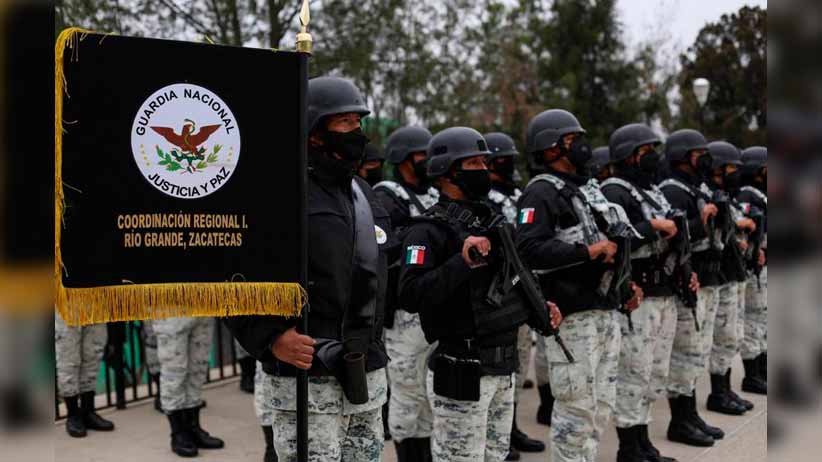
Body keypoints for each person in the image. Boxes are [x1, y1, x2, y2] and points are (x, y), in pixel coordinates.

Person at [226, 76, 392, 462]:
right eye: (346, 122)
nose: (358, 132)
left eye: (359, 121)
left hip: (365, 373)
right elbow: (233, 282)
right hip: (307, 377)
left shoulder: (363, 194)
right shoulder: (278, 195)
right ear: (315, 132)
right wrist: (271, 338)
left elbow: (388, 273)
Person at [398, 126, 562, 462]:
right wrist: (461, 262)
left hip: (502, 368)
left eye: (484, 163)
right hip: (463, 369)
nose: (483, 171)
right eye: (472, 164)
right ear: (446, 172)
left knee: (497, 456)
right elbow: (411, 294)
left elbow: (513, 279)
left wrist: (539, 308)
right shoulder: (426, 230)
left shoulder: (493, 221)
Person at [515, 109, 641, 462]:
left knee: (600, 405)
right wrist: (585, 251)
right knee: (576, 408)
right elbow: (527, 249)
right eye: (571, 140)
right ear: (550, 148)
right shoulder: (539, 193)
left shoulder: (589, 189)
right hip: (572, 317)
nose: (581, 147)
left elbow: (611, 241)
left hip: (603, 310)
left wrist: (625, 286)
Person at [600, 123, 695, 462]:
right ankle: (629, 446)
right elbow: (613, 236)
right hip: (637, 294)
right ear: (628, 156)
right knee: (634, 371)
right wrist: (651, 228)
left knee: (654, 371)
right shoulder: (614, 191)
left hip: (663, 290)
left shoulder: (650, 190)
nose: (651, 157)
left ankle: (643, 441)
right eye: (644, 151)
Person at [375, 125, 439, 461]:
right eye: (421, 155)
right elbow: (382, 246)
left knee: (428, 392)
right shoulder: (387, 196)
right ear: (402, 158)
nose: (428, 161)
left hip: (431, 308)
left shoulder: (432, 195)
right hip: (402, 314)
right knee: (406, 392)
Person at [658, 129, 725, 447]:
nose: (706, 158)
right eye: (700, 153)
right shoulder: (672, 190)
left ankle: (690, 415)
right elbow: (677, 238)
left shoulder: (693, 185)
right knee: (684, 353)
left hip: (701, 277)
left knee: (695, 352)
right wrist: (701, 219)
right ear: (683, 155)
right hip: (685, 278)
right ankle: (679, 421)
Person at [483, 131, 544, 460]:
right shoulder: (485, 197)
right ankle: (498, 436)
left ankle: (511, 428)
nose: (507, 165)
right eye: (500, 159)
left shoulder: (518, 192)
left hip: (523, 289)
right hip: (500, 291)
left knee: (518, 366)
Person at [704, 141, 757, 415]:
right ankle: (717, 393)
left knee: (730, 336)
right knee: (720, 335)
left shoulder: (728, 194)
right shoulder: (709, 194)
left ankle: (724, 390)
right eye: (731, 167)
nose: (736, 172)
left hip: (732, 272)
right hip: (718, 274)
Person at [153, 316, 224, 457]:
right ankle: (178, 433)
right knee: (174, 371)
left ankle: (193, 428)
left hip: (201, 305)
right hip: (171, 309)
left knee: (198, 367)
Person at [736, 146, 767, 395]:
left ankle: (764, 369)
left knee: (766, 321)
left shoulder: (762, 192)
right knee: (755, 319)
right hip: (755, 266)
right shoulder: (748, 193)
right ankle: (753, 375)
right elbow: (745, 231)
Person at [55, 313, 115, 438]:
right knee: (68, 358)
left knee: (92, 355)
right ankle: (73, 415)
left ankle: (88, 412)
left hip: (94, 299)